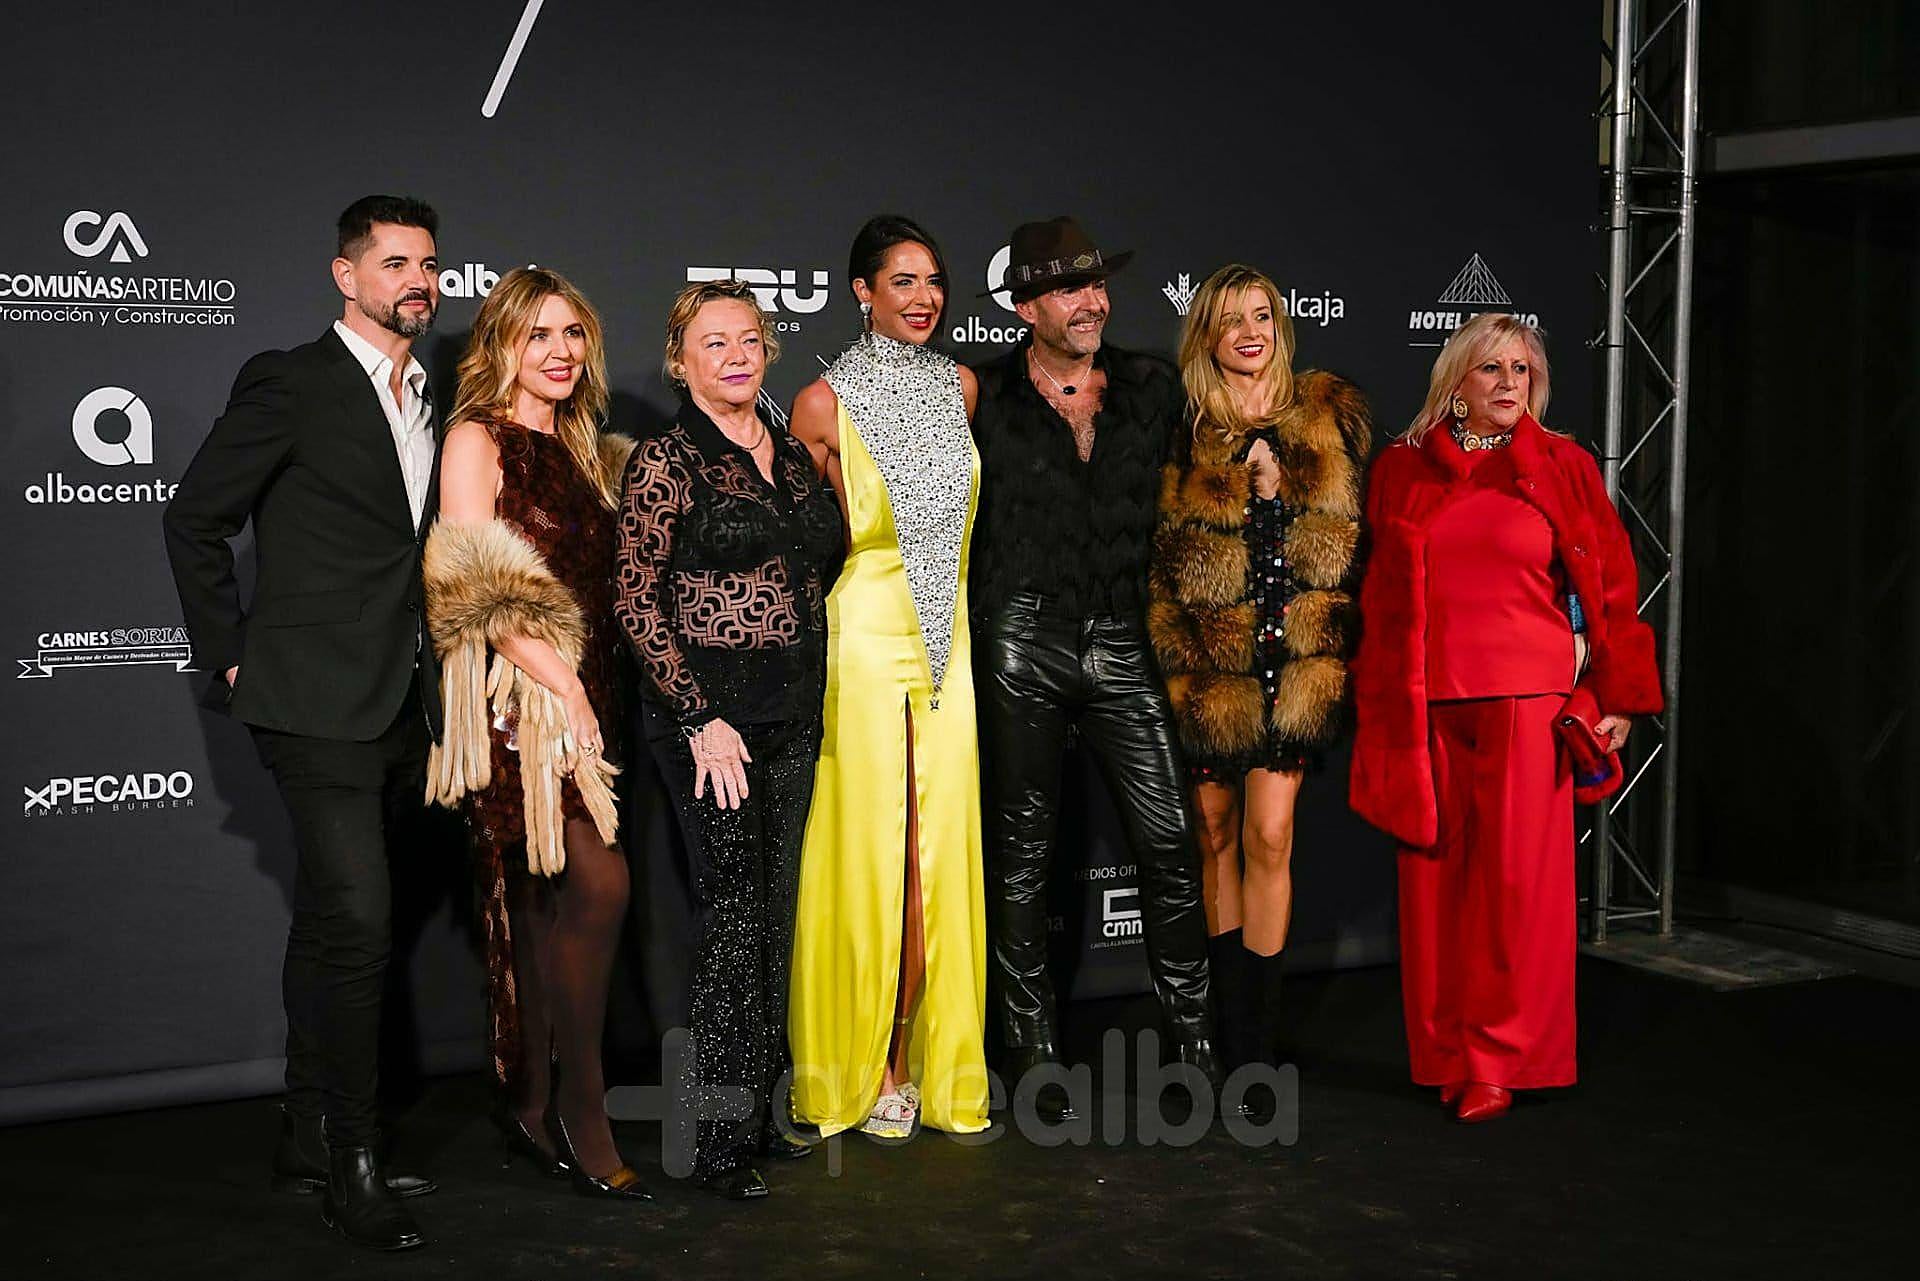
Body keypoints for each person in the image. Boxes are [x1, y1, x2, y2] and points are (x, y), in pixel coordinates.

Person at [162, 195, 444, 1251]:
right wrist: (227, 649)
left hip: (400, 699)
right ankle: (353, 1165)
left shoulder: (431, 393)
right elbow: (194, 517)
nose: (418, 279)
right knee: (361, 924)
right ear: (346, 276)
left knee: (336, 920)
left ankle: (303, 1125)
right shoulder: (292, 380)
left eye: (428, 263)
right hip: (308, 697)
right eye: (395, 263)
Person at [1349, 314, 1661, 1122]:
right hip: (1428, 700)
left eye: (1522, 369)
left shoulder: (1561, 465)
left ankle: (1502, 1058)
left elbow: (1613, 587)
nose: (1509, 382)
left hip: (1529, 701)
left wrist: (1619, 694)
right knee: (1435, 888)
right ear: (1456, 381)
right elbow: (1380, 598)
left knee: (1517, 891)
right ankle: (1446, 1049)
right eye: (1492, 368)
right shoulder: (1402, 469)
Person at [971, 216, 1219, 1117]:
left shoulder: (1151, 388)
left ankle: (1195, 1040)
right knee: (1023, 855)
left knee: (1167, 843)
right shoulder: (981, 394)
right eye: (1071, 289)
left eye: (1097, 285)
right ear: (1027, 303)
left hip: (1120, 639)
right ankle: (1030, 1045)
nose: (1093, 302)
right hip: (1018, 638)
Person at [612, 279, 843, 1197]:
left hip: (791, 714)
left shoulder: (787, 451)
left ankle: (759, 1110)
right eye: (715, 343)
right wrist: (698, 715)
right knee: (734, 916)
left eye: (749, 338)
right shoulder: (667, 460)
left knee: (775, 912)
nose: (737, 354)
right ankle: (713, 1140)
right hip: (712, 723)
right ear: (681, 361)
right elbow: (636, 597)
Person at [424, 266, 648, 1199]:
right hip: (517, 698)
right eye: (538, 334)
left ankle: (530, 1098)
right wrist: (561, 682)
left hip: (591, 691)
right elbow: (468, 580)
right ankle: (578, 1104)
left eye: (573, 334)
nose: (560, 352)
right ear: (503, 345)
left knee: (555, 903)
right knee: (595, 880)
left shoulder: (594, 448)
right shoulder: (478, 437)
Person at [786, 215, 991, 1142]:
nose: (924, 298)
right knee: (871, 847)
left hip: (948, 637)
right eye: (902, 281)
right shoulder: (820, 404)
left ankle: (920, 1062)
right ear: (862, 292)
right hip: (865, 632)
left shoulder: (963, 386)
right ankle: (855, 1067)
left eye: (935, 281)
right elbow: (817, 544)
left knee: (934, 857)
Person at [1147, 264, 1370, 1089]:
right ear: (1205, 333)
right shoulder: (1183, 430)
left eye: (1263, 315)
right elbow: (1161, 566)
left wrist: (1279, 491)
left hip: (1295, 664)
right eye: (1232, 318)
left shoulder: (1325, 415)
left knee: (1269, 836)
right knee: (1211, 837)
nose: (1250, 330)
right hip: (1213, 673)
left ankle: (1257, 1036)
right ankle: (1218, 1026)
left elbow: (1348, 548)